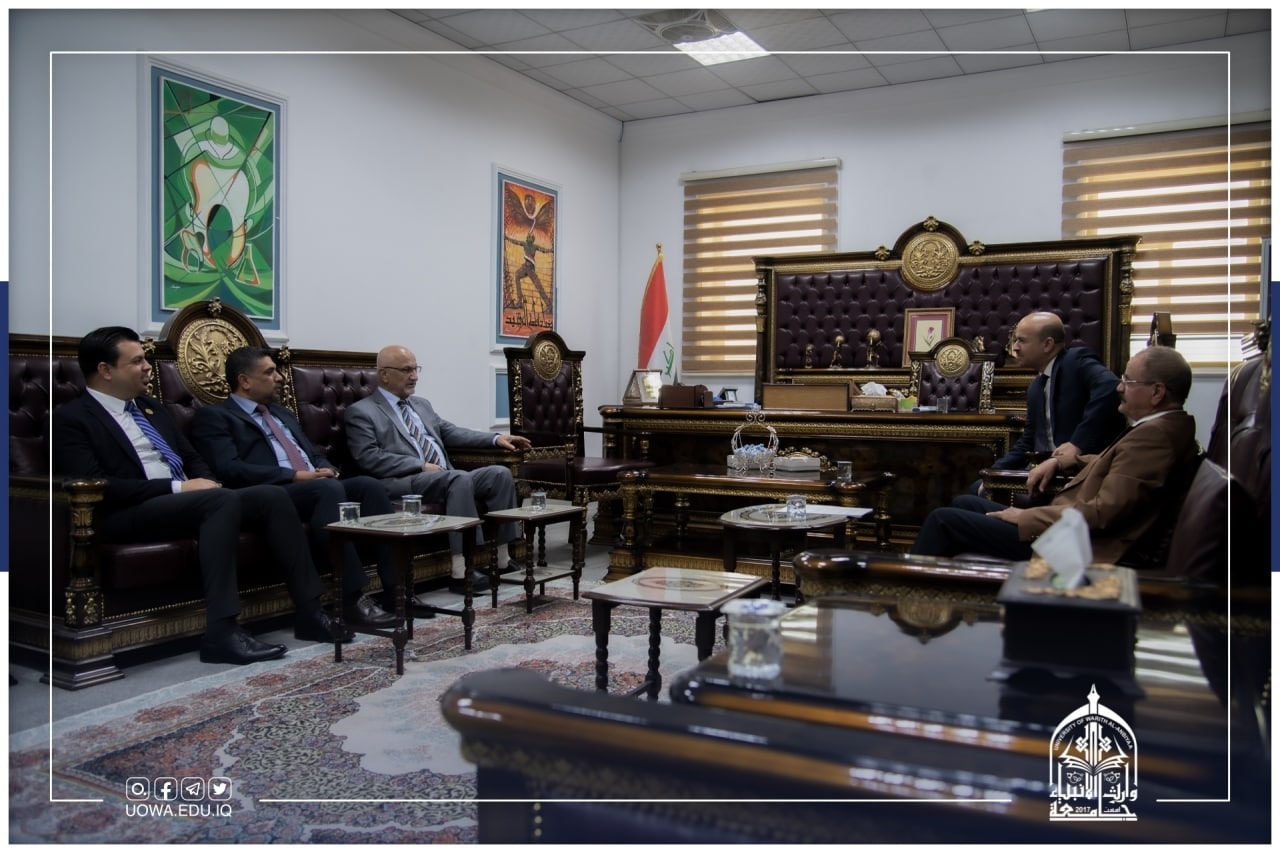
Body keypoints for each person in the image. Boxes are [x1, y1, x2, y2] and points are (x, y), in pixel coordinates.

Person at [52, 327, 349, 666]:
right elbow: (99, 485)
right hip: (131, 510)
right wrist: (179, 488)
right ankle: (222, 633)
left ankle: (310, 611)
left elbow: (191, 457)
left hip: (187, 501)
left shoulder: (149, 408)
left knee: (270, 496)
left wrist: (208, 481)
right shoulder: (72, 419)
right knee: (220, 501)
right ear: (105, 370)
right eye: (136, 361)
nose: (147, 367)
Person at [914, 346, 1198, 563]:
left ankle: (911, 600)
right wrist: (1067, 460)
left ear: (1157, 392)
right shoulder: (1166, 427)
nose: (1119, 387)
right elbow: (1120, 468)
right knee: (965, 502)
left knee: (942, 520)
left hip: (1076, 546)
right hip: (1068, 529)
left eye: (1128, 380)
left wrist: (1027, 516)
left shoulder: (1154, 437)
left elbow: (1102, 513)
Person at [190, 346, 400, 629]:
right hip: (272, 491)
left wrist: (327, 468)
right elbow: (229, 468)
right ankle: (352, 598)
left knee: (368, 486)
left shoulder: (281, 412)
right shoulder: (215, 417)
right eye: (269, 372)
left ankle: (396, 589)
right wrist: (293, 476)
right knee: (327, 491)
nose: (279, 378)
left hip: (311, 484)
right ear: (245, 381)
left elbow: (311, 453)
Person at [344, 345, 533, 594]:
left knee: (499, 474)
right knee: (458, 479)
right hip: (404, 480)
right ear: (384, 375)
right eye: (406, 370)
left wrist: (495, 439)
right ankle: (461, 570)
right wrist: (419, 465)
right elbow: (368, 458)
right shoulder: (361, 412)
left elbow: (451, 432)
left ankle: (501, 558)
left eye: (416, 369)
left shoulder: (421, 405)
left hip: (444, 476)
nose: (414, 376)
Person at [979, 312, 1124, 491]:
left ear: (1047, 344)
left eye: (1021, 341)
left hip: (1079, 476)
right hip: (1041, 474)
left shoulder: (1075, 361)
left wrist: (1078, 444)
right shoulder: (1036, 387)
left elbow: (1110, 387)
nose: (1014, 348)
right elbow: (1029, 441)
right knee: (975, 490)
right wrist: (992, 473)